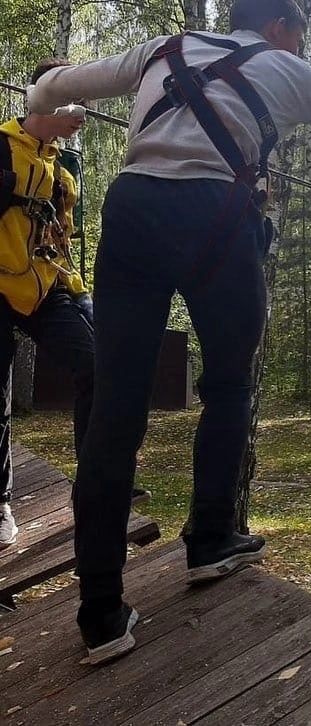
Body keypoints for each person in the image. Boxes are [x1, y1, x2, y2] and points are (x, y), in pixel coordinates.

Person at [28, 0, 311, 663]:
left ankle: (100, 615)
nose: (300, 48)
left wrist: (44, 98)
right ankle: (209, 540)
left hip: (134, 211)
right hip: (216, 218)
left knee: (115, 411)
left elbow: (56, 85)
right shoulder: (287, 70)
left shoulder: (163, 46)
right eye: (300, 36)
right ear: (279, 28)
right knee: (230, 383)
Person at [0, 59, 149, 551]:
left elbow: (58, 241)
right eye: (75, 102)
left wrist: (81, 293)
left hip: (48, 290)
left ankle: (97, 485)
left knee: (98, 371)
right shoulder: (2, 148)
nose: (83, 115)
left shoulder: (64, 170)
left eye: (88, 105)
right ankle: (0, 502)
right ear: (41, 97)